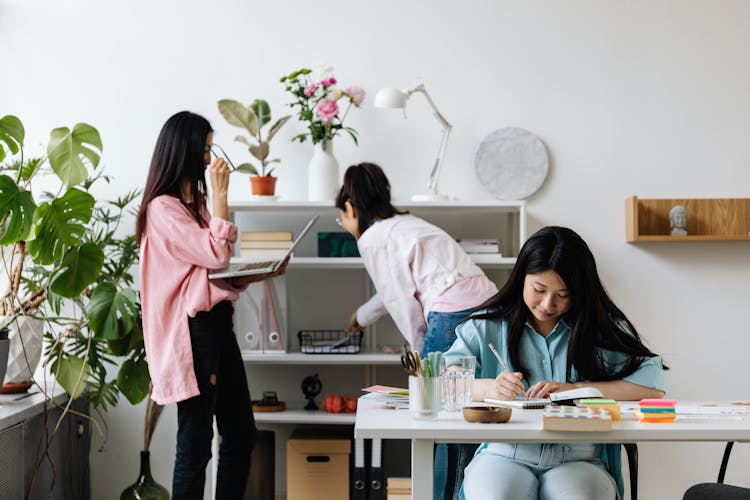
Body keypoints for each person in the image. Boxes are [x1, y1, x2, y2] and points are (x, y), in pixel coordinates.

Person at [444, 226, 666, 500]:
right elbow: (447, 381)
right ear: (521, 277)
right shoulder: (487, 325)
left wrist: (578, 391)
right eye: (539, 289)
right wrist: (490, 389)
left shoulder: (600, 329)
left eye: (563, 294)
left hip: (580, 457)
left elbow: (652, 386)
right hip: (504, 454)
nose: (548, 304)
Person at [135, 111, 286, 499]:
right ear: (183, 150)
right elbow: (216, 254)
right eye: (204, 149)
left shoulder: (195, 203)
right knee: (196, 443)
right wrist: (222, 195)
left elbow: (209, 273)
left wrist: (260, 272)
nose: (209, 159)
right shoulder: (162, 208)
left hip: (218, 325)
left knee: (240, 434)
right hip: (194, 334)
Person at [336, 162, 498, 500]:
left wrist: (419, 355)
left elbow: (401, 300)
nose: (342, 223)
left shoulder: (373, 239)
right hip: (489, 305)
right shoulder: (407, 224)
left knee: (435, 419)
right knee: (472, 410)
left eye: (342, 216)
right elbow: (396, 288)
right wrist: (363, 316)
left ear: (351, 208)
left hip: (452, 314)